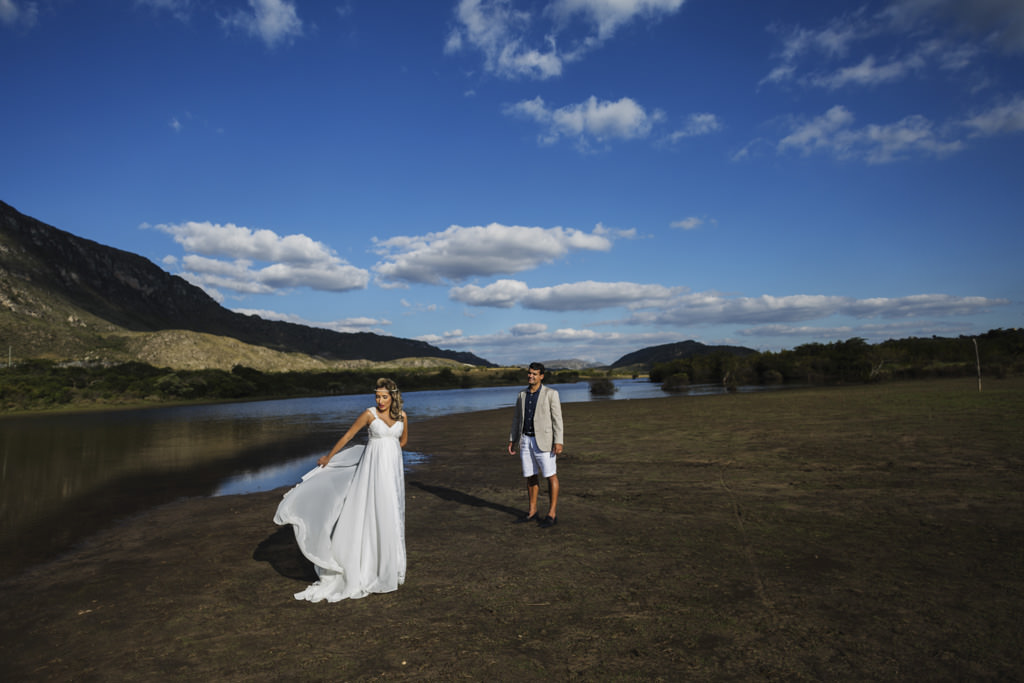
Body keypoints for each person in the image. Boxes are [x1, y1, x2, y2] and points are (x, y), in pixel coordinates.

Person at [273, 377, 409, 602]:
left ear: (393, 396)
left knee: (390, 513)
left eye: (384, 396)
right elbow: (348, 436)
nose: (380, 400)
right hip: (372, 471)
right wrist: (329, 457)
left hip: (391, 472)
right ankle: (364, 566)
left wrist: (388, 449)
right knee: (370, 511)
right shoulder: (369, 414)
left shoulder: (402, 417)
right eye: (377, 395)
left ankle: (388, 567)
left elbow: (402, 442)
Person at [507, 362, 563, 528]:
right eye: (529, 373)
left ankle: (552, 514)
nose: (531, 376)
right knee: (530, 475)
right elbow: (517, 418)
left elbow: (557, 419)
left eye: (534, 374)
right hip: (526, 440)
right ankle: (532, 511)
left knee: (550, 475)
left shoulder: (551, 394)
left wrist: (558, 441)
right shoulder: (522, 395)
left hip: (544, 442)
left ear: (541, 376)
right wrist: (513, 439)